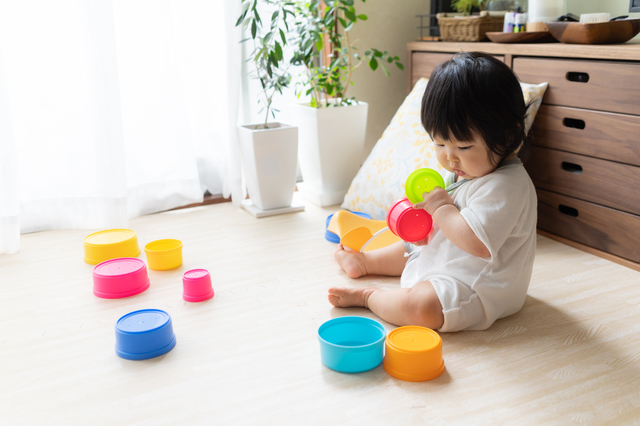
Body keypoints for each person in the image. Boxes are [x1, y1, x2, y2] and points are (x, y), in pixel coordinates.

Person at [328, 51, 537, 332]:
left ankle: (370, 297)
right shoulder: (467, 170)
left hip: (479, 287)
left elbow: (476, 242)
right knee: (413, 247)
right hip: (451, 264)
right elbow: (447, 228)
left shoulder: (507, 185)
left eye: (463, 147)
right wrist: (428, 225)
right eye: (439, 144)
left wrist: (441, 209)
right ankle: (365, 262)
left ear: (508, 135)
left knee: (421, 307)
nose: (450, 158)